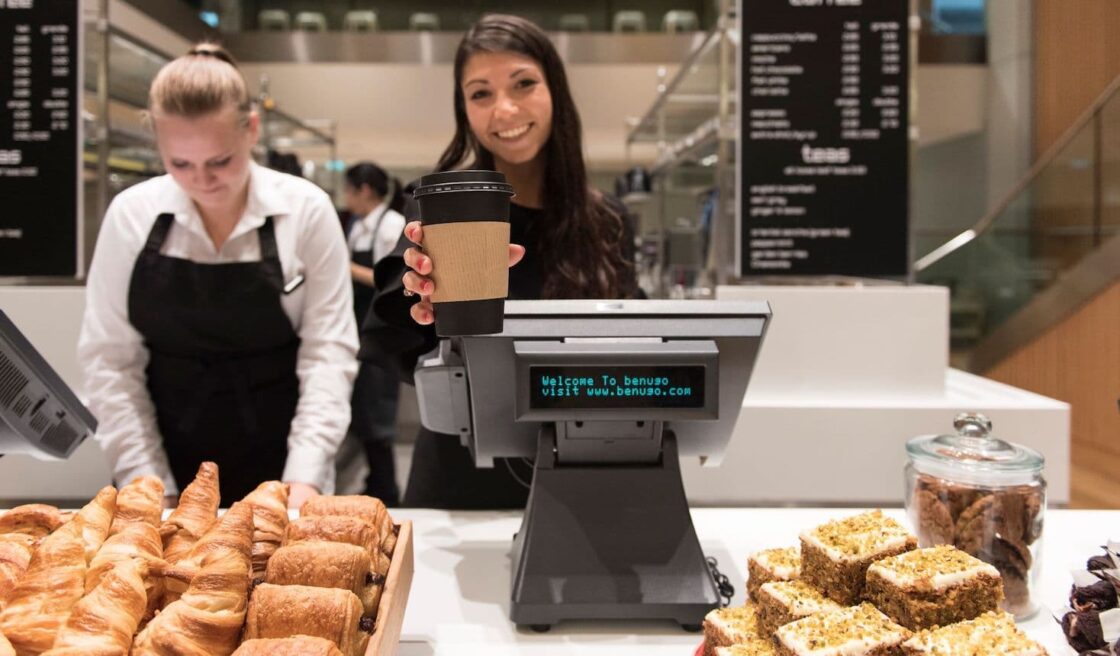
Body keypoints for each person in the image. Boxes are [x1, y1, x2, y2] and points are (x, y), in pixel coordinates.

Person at [361, 14, 642, 509]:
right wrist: (419, 293)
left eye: (523, 84)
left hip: (581, 470)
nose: (504, 109)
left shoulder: (607, 222)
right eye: (480, 94)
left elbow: (631, 349)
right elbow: (396, 337)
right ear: (464, 109)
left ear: (555, 89)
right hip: (458, 477)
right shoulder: (440, 205)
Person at [78, 44, 357, 509]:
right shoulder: (131, 215)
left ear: (251, 130)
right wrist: (148, 484)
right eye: (180, 164)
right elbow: (110, 361)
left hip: (284, 460)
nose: (202, 180)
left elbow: (327, 352)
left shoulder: (306, 210)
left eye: (220, 161)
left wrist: (304, 479)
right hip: (162, 458)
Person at [342, 162, 407, 505]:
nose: (346, 198)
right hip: (357, 326)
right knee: (363, 410)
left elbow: (392, 279)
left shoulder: (391, 224)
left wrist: (347, 268)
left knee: (377, 410)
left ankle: (387, 491)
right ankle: (375, 482)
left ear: (364, 190)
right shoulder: (358, 225)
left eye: (348, 190)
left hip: (381, 329)